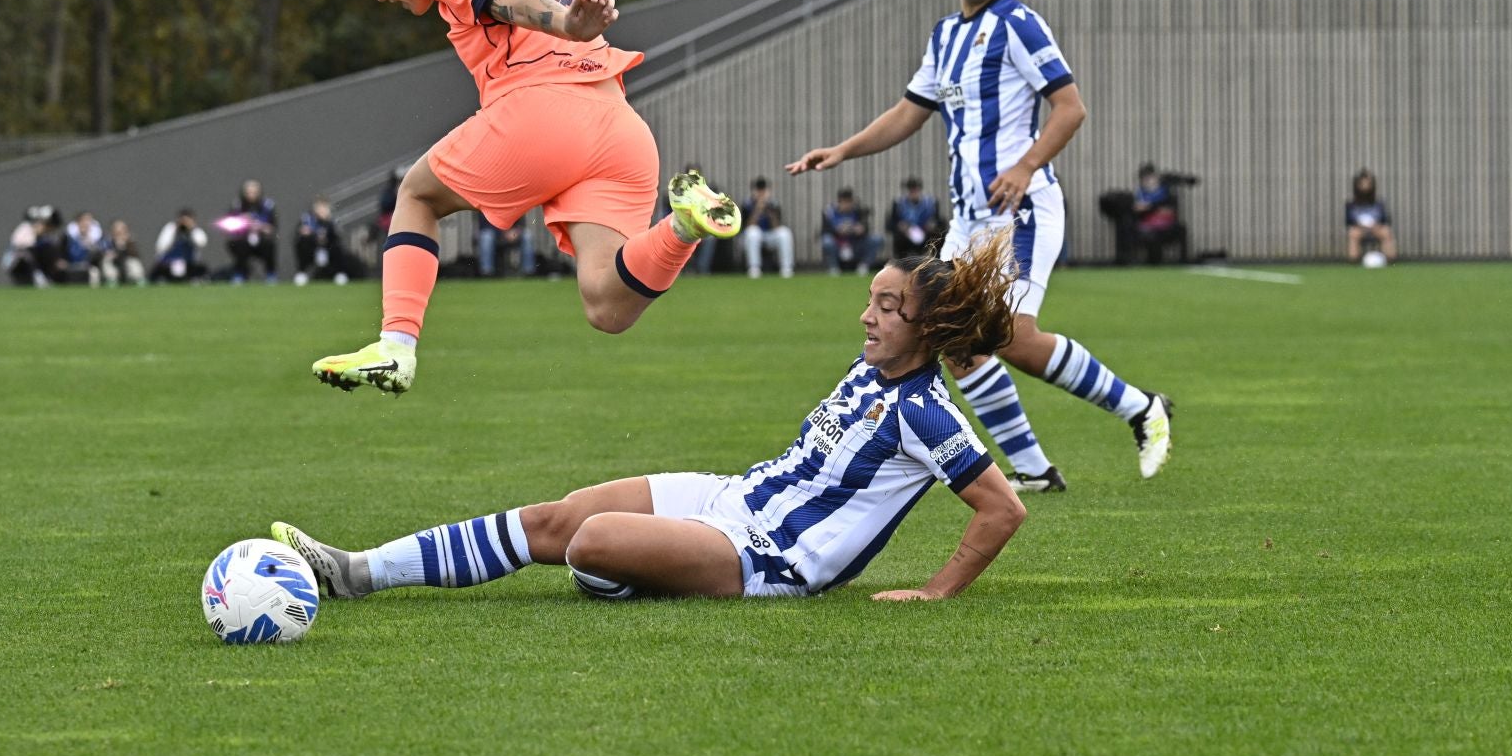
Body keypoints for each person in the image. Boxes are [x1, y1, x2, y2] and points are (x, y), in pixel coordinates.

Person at [273, 234, 1027, 602]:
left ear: (928, 329)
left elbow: (1003, 508)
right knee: (556, 518)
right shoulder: (872, 366)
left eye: (889, 308)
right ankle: (357, 573)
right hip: (730, 499)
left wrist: (936, 592)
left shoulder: (927, 414)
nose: (868, 316)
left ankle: (630, 573)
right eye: (871, 298)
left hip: (762, 559)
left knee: (592, 544)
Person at [287, 0, 741, 394]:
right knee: (608, 305)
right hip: (618, 125)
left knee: (417, 195)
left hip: (544, 112)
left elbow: (507, 0)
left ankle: (396, 346)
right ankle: (684, 223)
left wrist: (566, 22)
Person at [789, 0, 1172, 490]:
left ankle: (1142, 408)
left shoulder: (1018, 23)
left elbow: (1070, 108)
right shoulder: (945, 37)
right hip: (969, 220)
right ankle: (1034, 470)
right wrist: (843, 150)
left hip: (1022, 210)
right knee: (955, 341)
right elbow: (907, 113)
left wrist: (1024, 166)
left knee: (1013, 336)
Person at [295, 196, 365, 286]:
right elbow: (300, 232)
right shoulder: (307, 218)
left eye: (324, 207)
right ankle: (302, 273)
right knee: (302, 244)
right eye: (319, 207)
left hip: (328, 249)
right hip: (312, 249)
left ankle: (339, 273)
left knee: (337, 248)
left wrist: (327, 228)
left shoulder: (332, 220)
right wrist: (310, 235)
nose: (322, 210)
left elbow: (337, 236)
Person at [223, 180, 279, 284]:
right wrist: (243, 222)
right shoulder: (237, 205)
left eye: (254, 192)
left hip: (262, 239)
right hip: (243, 239)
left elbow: (272, 227)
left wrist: (260, 226)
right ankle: (239, 274)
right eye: (248, 192)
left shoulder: (268, 205)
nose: (251, 195)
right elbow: (229, 225)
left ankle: (271, 274)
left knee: (269, 245)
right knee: (238, 245)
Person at [1132, 164, 1188, 264]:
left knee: (1181, 228)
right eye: (1145, 178)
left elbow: (1168, 210)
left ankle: (1184, 261)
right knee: (1149, 234)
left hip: (1166, 225)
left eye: (1151, 177)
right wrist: (1154, 208)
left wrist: (1150, 207)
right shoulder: (1140, 193)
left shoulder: (1165, 191)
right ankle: (1153, 262)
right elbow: (1138, 209)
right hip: (1149, 227)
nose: (1149, 180)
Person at [741, 177, 794, 278]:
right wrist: (758, 208)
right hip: (752, 237)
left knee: (785, 233)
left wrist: (769, 210)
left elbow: (776, 226)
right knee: (753, 232)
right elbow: (747, 226)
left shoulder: (773, 204)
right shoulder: (747, 204)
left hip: (769, 235)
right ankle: (754, 268)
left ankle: (786, 268)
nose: (761, 192)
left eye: (763, 190)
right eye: (758, 190)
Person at [821, 188, 883, 274]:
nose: (847, 205)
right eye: (844, 202)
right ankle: (834, 268)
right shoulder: (829, 212)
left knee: (877, 239)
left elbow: (865, 227)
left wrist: (861, 229)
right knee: (826, 241)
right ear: (839, 202)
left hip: (855, 243)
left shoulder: (858, 210)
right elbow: (825, 230)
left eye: (849, 202)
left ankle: (864, 266)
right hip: (838, 244)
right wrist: (837, 230)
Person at [1345, 169, 1396, 264]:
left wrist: (1376, 226)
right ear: (1357, 185)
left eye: (1368, 183)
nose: (1365, 186)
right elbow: (1348, 222)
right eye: (1362, 184)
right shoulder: (1351, 205)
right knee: (1353, 233)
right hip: (1360, 229)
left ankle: (1390, 259)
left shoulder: (1378, 204)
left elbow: (1385, 220)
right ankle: (1354, 260)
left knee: (1386, 231)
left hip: (1376, 228)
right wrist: (1359, 225)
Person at [151, 209, 210, 283]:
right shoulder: (171, 228)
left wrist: (191, 230)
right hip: (169, 263)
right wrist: (175, 231)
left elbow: (202, 243)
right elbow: (160, 247)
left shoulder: (195, 230)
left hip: (189, 264)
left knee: (202, 269)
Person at [475, 210, 537, 277]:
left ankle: (529, 272)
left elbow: (521, 223)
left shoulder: (514, 202)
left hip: (512, 233)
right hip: (494, 233)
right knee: (486, 236)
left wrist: (517, 231)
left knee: (527, 235)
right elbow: (484, 224)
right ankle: (486, 272)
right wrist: (503, 232)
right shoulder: (486, 202)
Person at [890, 177, 943, 252]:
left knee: (937, 236)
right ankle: (903, 261)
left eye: (916, 190)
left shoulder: (931, 203)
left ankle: (934, 259)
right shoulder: (899, 203)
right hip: (906, 235)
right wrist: (899, 225)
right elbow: (891, 223)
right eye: (911, 191)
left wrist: (933, 224)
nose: (913, 193)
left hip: (926, 233)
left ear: (920, 190)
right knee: (899, 239)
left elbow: (939, 220)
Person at [61, 210, 108, 285]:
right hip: (72, 265)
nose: (86, 223)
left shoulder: (97, 237)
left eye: (89, 220)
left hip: (90, 267)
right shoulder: (68, 237)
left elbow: (103, 250)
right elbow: (70, 254)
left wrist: (91, 244)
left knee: (94, 272)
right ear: (78, 222)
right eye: (84, 220)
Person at [103, 220, 147, 286]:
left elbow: (136, 254)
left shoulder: (130, 241)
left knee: (134, 261)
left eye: (122, 230)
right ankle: (111, 281)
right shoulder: (108, 241)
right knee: (107, 260)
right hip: (114, 263)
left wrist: (125, 245)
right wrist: (116, 248)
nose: (120, 232)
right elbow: (105, 253)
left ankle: (139, 280)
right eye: (117, 230)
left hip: (127, 265)